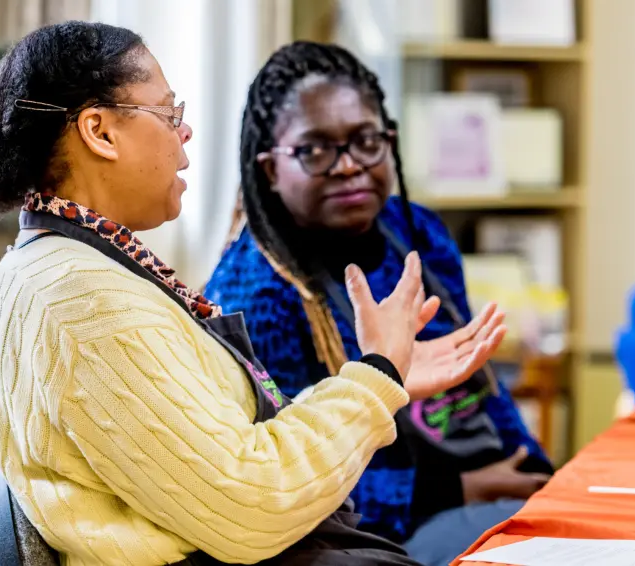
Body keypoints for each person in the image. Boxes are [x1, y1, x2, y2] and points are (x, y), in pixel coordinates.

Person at [0, 23, 504, 566]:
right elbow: (256, 505)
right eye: (168, 114)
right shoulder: (78, 300)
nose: (184, 133)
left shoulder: (72, 266)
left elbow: (233, 452)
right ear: (100, 131)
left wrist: (383, 378)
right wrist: (377, 375)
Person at [204, 41, 554, 566]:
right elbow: (285, 477)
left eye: (366, 141)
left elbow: (479, 380)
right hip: (376, 529)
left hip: (483, 478)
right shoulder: (254, 293)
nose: (349, 166)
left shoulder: (417, 230)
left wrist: (537, 470)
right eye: (316, 150)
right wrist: (461, 488)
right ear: (271, 169)